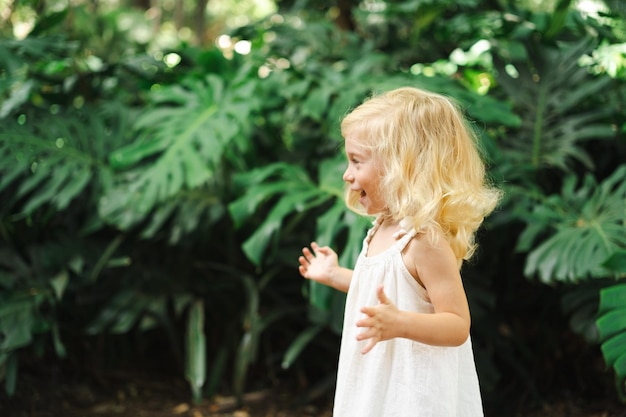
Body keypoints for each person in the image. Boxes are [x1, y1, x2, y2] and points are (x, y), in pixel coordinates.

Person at [298, 86, 502, 417]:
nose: (347, 174)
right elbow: (392, 289)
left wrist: (400, 324)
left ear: (401, 167)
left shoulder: (424, 241)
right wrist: (335, 275)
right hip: (377, 384)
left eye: (356, 161)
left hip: (415, 394)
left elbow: (457, 324)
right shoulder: (381, 227)